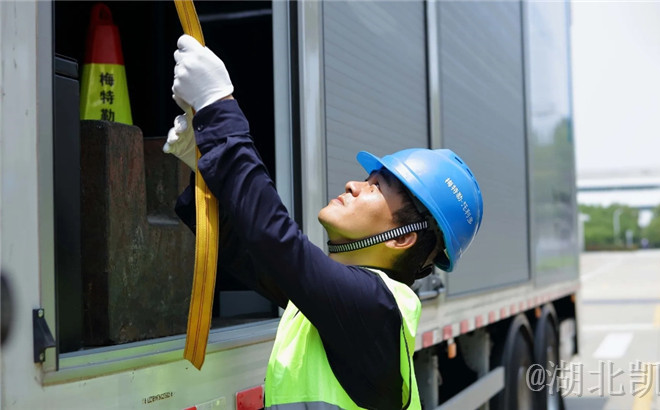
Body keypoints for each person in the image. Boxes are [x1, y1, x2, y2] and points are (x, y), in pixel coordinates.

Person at [166, 35, 483, 410]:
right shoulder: (343, 307)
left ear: (403, 238)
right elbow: (249, 253)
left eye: (375, 187)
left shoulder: (374, 309)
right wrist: (205, 167)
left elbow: (277, 242)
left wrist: (218, 107)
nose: (354, 184)